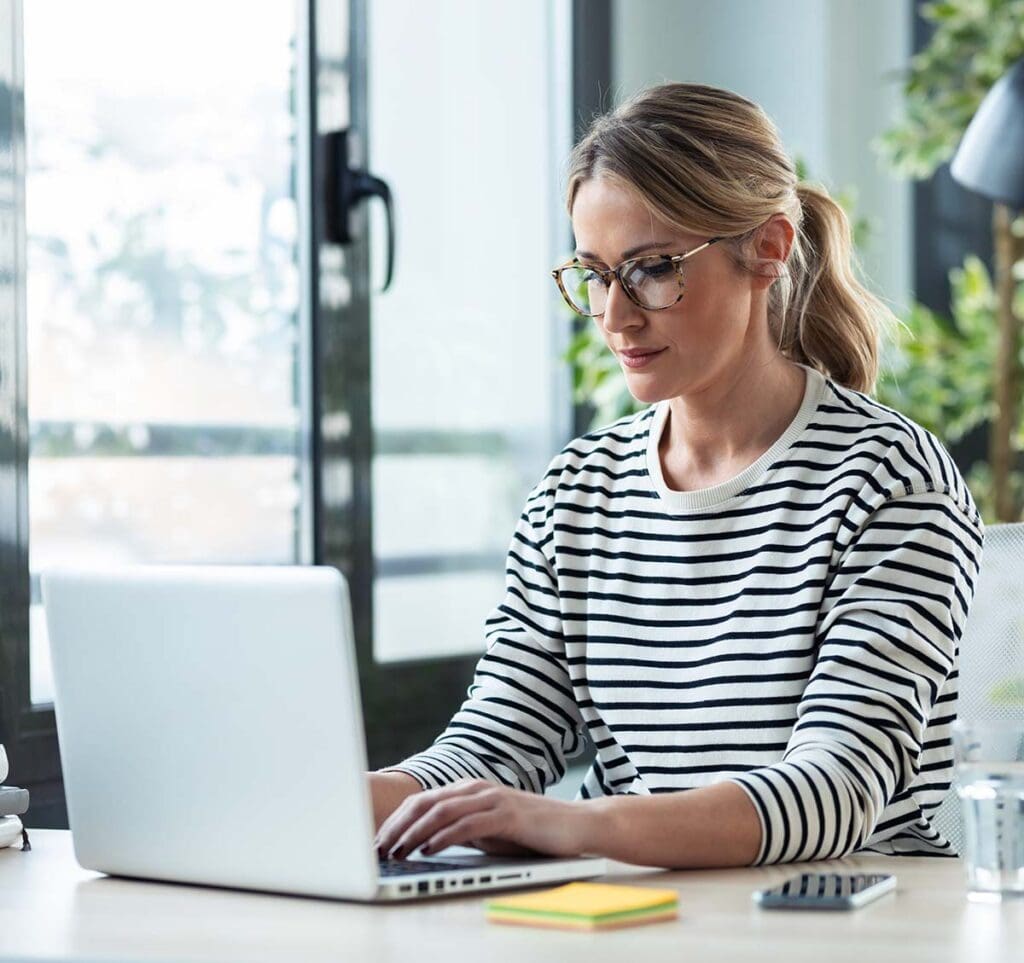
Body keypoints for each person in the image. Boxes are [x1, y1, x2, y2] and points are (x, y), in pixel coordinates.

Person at [369, 82, 984, 869]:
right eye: (593, 274)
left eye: (652, 269)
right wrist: (334, 797)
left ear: (767, 248)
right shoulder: (576, 495)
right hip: (641, 917)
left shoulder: (890, 481)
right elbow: (492, 748)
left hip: (840, 926)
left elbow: (835, 789)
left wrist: (571, 823)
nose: (615, 317)